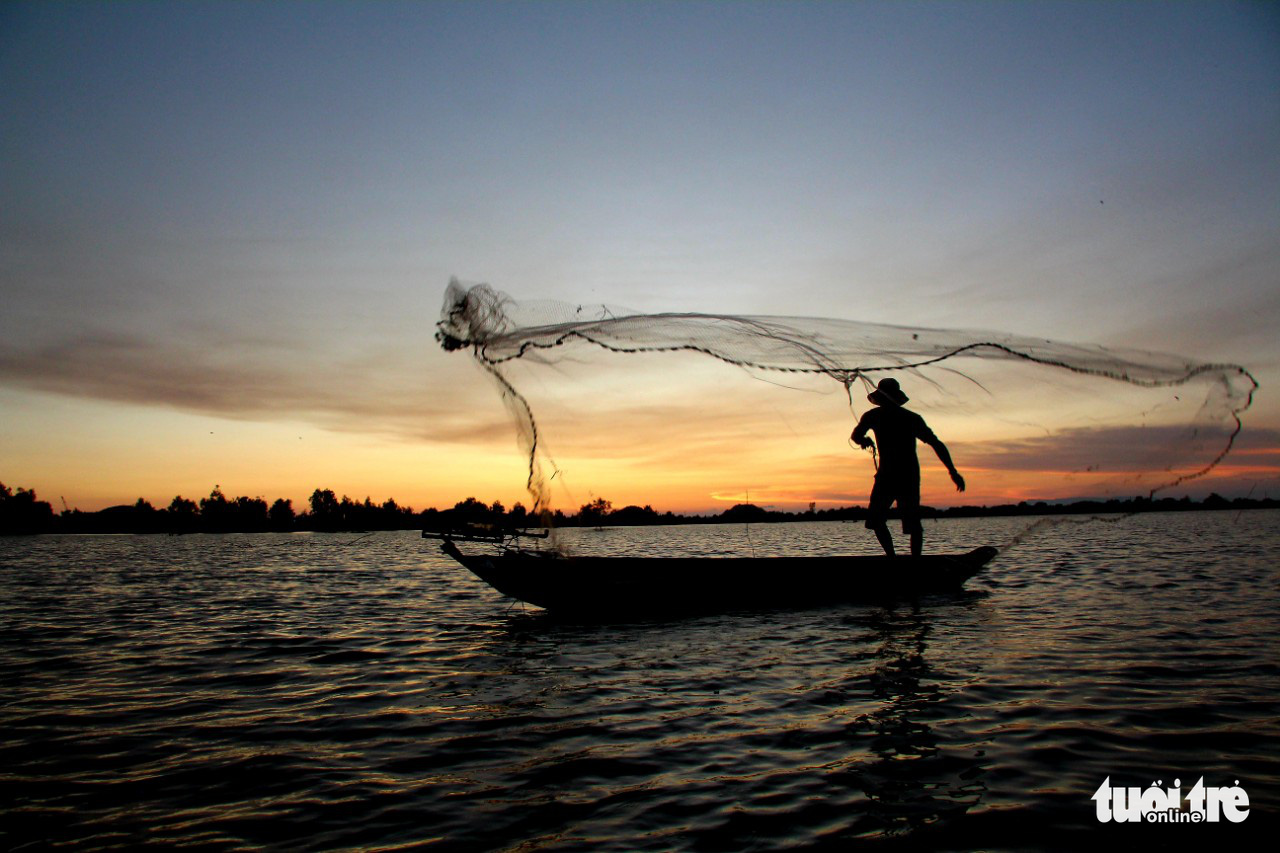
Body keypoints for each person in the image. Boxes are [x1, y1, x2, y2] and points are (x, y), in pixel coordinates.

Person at [851, 377, 965, 557]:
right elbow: (856, 436)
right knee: (877, 520)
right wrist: (953, 472)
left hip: (903, 475)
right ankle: (897, 559)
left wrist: (953, 471)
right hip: (896, 474)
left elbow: (936, 444)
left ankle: (907, 561)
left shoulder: (890, 417)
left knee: (905, 522)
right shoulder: (901, 418)